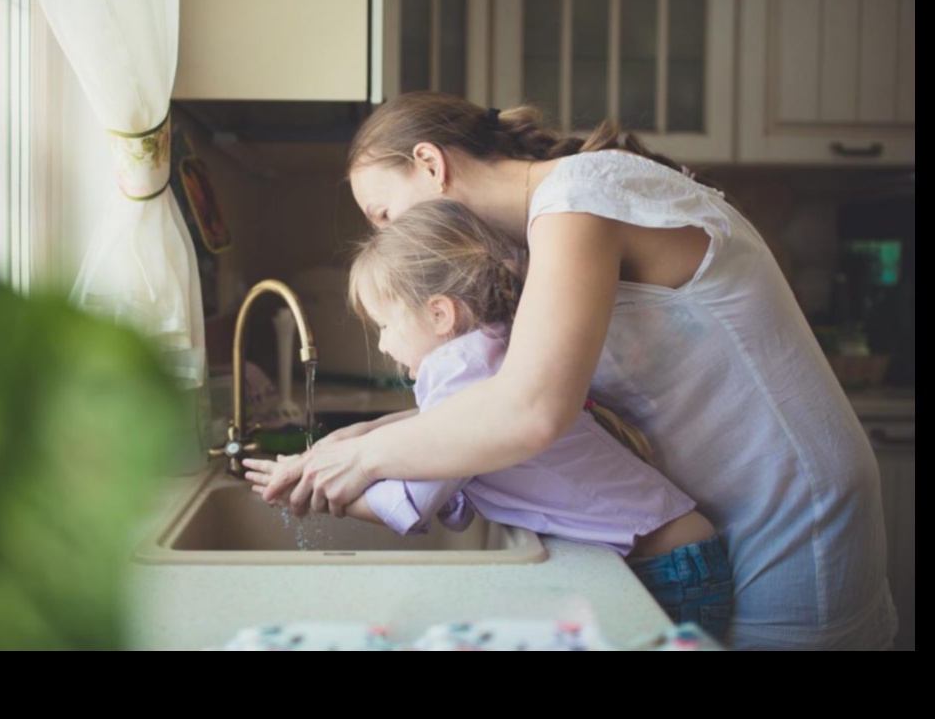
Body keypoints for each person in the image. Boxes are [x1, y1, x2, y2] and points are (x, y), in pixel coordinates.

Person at [257, 92, 897, 651]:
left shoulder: (578, 199)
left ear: (431, 163)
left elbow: (532, 410)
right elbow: (506, 390)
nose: (394, 240)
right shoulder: (550, 227)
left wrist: (367, 461)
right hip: (736, 511)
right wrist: (362, 438)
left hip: (792, 511)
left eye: (386, 216)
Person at [246, 199, 733, 639]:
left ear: (440, 315)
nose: (383, 345)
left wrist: (307, 489)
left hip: (666, 569)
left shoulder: (457, 372)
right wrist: (352, 440)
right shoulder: (492, 349)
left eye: (385, 324)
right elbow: (431, 437)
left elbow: (410, 499)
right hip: (676, 554)